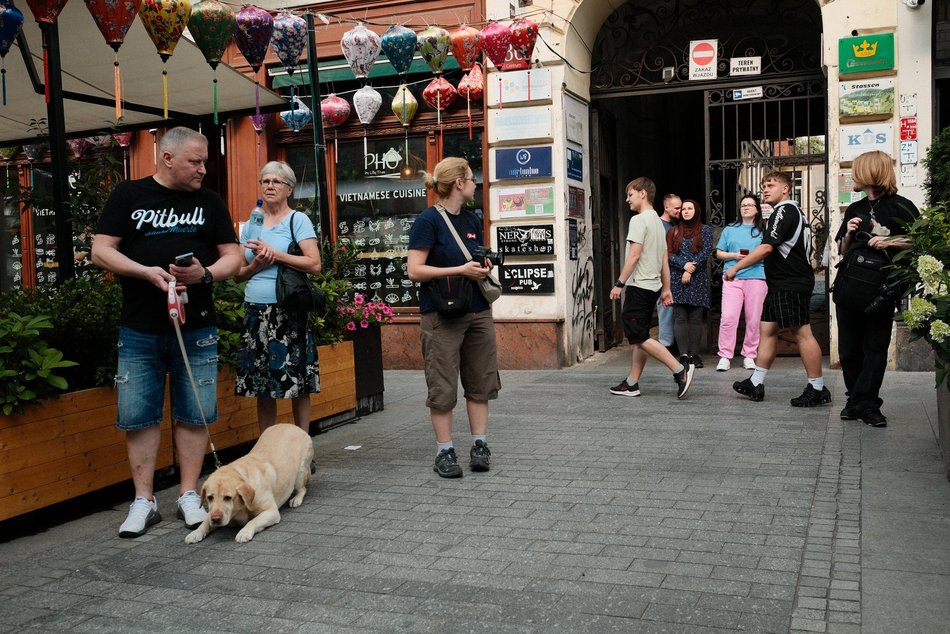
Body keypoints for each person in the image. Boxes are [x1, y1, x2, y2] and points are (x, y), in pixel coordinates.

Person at [91, 127, 243, 538]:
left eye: (205, 160)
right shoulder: (129, 195)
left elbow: (235, 256)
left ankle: (189, 494)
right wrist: (145, 272)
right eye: (195, 161)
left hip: (197, 326)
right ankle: (144, 500)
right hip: (140, 325)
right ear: (167, 158)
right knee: (139, 414)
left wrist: (204, 274)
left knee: (194, 411)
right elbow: (100, 249)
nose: (203, 169)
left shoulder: (209, 202)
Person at [407, 157, 500, 479]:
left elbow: (472, 258)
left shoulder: (472, 219)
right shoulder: (428, 220)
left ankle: (480, 445)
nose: (477, 184)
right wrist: (459, 270)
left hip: (477, 310)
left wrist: (482, 267)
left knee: (481, 381)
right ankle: (444, 451)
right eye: (472, 178)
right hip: (441, 314)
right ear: (459, 183)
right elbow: (415, 270)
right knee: (443, 386)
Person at [725, 170, 829, 406]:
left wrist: (735, 268)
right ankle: (756, 382)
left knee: (802, 333)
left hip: (790, 282)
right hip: (781, 283)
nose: (765, 189)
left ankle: (817, 388)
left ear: (786, 188)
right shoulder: (793, 213)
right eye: (764, 185)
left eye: (770, 185)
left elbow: (766, 248)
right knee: (768, 330)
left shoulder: (785, 211)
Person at [234, 161, 322, 434]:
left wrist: (276, 255)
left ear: (289, 189)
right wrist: (255, 266)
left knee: (296, 382)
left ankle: (302, 445)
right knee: (262, 384)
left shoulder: (298, 220)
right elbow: (238, 273)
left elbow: (315, 264)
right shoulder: (250, 225)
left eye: (276, 182)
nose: (269, 186)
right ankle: (266, 447)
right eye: (265, 181)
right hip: (255, 311)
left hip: (287, 309)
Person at [834, 151, 918, 427]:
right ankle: (856, 399)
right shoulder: (855, 208)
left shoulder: (902, 207)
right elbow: (842, 250)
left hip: (880, 289)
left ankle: (867, 403)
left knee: (874, 347)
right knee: (848, 350)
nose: (853, 176)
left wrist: (890, 241)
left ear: (869, 172)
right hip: (849, 287)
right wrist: (848, 232)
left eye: (857, 170)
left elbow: (918, 242)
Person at [608, 177, 695, 399]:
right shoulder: (657, 221)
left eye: (630, 194)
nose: (627, 199)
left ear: (643, 193)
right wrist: (666, 288)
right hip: (653, 286)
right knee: (641, 336)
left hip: (639, 287)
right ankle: (632, 383)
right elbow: (663, 258)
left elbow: (635, 255)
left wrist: (619, 283)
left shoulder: (638, 221)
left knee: (637, 335)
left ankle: (679, 370)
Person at [714, 195, 767, 372]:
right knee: (728, 318)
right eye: (743, 205)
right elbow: (719, 253)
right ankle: (725, 356)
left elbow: (768, 253)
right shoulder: (730, 229)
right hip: (732, 277)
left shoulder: (763, 230)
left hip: (757, 277)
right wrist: (734, 256)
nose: (745, 207)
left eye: (750, 205)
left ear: (757, 209)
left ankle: (749, 355)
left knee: (753, 319)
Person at [667, 199, 713, 368]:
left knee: (695, 318)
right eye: (684, 209)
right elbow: (669, 254)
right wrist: (683, 266)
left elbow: (706, 251)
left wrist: (690, 269)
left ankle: (695, 354)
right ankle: (684, 355)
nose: (686, 211)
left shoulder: (705, 230)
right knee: (680, 317)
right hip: (678, 279)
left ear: (696, 210)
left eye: (689, 208)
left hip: (697, 278)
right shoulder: (673, 231)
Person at [658, 194, 682, 355]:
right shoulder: (658, 226)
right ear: (666, 207)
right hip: (662, 275)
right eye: (677, 208)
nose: (680, 211)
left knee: (673, 310)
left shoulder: (675, 225)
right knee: (665, 309)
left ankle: (671, 343)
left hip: (674, 274)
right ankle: (665, 346)